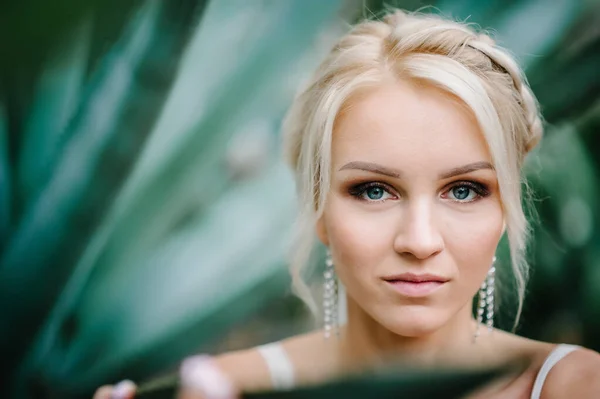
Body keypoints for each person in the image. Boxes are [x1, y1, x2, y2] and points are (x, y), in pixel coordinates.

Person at [93, 8, 600, 399]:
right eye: (374, 190)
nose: (419, 242)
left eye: (463, 190)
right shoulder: (221, 388)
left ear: (506, 210)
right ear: (318, 210)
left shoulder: (571, 385)